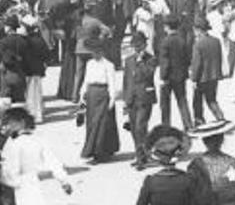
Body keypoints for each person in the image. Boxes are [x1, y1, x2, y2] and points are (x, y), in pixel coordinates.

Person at [79, 37, 120, 164]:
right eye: (93, 52)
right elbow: (86, 80)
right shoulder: (89, 64)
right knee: (91, 124)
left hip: (103, 96)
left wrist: (112, 100)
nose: (95, 54)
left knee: (101, 125)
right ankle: (91, 151)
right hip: (91, 95)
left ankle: (100, 152)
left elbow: (112, 84)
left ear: (102, 52)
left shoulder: (109, 65)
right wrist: (82, 95)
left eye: (98, 52)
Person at [122, 32, 158, 169]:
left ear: (145, 45)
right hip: (132, 98)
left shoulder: (151, 59)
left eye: (140, 46)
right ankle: (140, 155)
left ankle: (142, 158)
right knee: (133, 129)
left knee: (140, 127)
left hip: (145, 98)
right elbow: (126, 81)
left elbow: (148, 75)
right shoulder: (128, 60)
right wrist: (125, 100)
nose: (137, 49)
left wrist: (141, 61)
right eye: (135, 46)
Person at [158, 15, 193, 130]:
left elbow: (165, 61)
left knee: (165, 104)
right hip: (180, 75)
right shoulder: (182, 40)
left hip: (168, 77)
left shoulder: (165, 41)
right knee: (182, 101)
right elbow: (187, 58)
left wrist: (163, 77)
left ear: (167, 27)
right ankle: (188, 125)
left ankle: (166, 127)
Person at [190, 17, 226, 128]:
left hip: (202, 77)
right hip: (214, 75)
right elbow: (219, 58)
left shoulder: (198, 44)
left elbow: (197, 64)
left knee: (197, 101)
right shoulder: (216, 41)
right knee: (212, 99)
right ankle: (220, 118)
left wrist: (193, 79)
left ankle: (199, 121)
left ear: (198, 30)